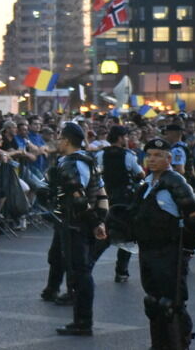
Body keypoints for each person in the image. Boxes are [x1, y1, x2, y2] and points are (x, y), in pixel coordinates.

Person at [132, 138, 195, 349]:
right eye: (149, 155)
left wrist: (188, 249)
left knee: (171, 304)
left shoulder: (176, 182)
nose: (152, 159)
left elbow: (193, 217)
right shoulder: (147, 182)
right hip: (148, 250)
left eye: (158, 155)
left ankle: (179, 343)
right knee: (153, 302)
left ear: (169, 158)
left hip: (170, 250)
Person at [46, 122, 109, 337]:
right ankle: (81, 319)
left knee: (80, 273)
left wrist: (95, 223)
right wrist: (100, 218)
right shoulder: (89, 161)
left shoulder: (70, 164)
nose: (57, 142)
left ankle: (83, 322)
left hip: (76, 223)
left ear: (65, 140)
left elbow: (79, 198)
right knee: (80, 271)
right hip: (80, 223)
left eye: (59, 138)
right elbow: (101, 193)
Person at [93, 125, 144, 282]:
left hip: (105, 200)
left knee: (102, 234)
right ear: (121, 138)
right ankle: (121, 271)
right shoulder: (129, 156)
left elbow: (96, 174)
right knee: (127, 236)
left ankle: (88, 265)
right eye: (126, 136)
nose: (127, 139)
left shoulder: (101, 154)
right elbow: (140, 174)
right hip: (124, 201)